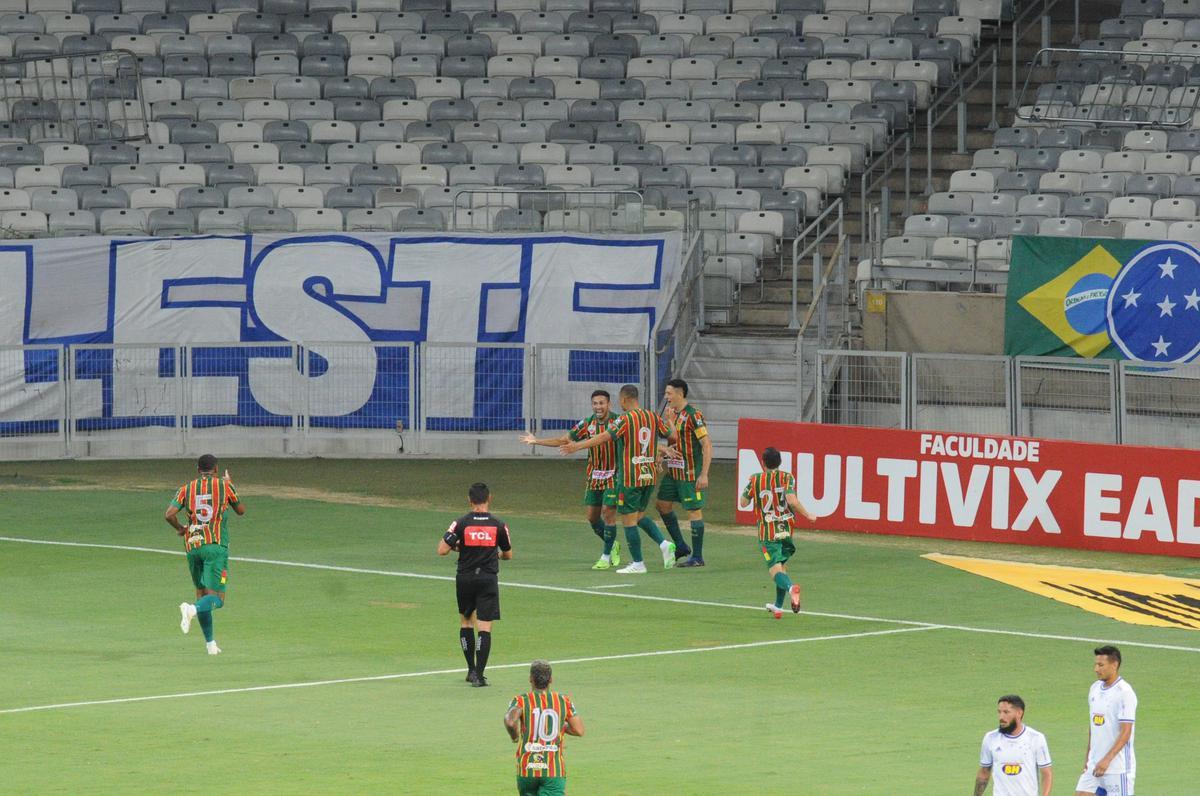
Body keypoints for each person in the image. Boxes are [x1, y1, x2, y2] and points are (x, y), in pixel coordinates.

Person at [560, 384, 678, 574]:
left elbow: (604, 437)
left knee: (629, 520)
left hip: (630, 477)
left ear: (624, 400)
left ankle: (638, 563)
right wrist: (671, 421)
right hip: (648, 474)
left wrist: (577, 446)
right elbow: (673, 436)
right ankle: (665, 544)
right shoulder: (652, 416)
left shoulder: (625, 419)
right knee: (639, 515)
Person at [520, 389, 621, 570]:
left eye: (601, 403)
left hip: (615, 474)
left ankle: (606, 556)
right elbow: (563, 440)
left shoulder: (618, 422)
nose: (598, 407)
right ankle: (612, 543)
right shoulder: (587, 424)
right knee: (592, 517)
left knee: (608, 512)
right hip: (594, 476)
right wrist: (536, 441)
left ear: (609, 404)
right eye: (595, 403)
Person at [165, 454, 245, 656]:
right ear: (216, 469)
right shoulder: (224, 486)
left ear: (197, 469)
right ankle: (190, 609)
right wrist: (230, 484)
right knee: (217, 598)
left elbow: (169, 514)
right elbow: (241, 510)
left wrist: (182, 528)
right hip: (215, 547)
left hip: (193, 546)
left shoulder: (186, 488)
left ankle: (210, 645)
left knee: (201, 594)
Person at [437, 482, 512, 687]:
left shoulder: (460, 523)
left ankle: (470, 669)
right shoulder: (498, 524)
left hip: (465, 578)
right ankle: (479, 675)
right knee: (485, 628)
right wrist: (494, 554)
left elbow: (442, 550)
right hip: (487, 579)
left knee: (466, 623)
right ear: (490, 498)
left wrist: (460, 548)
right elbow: (508, 554)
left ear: (469, 500)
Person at [737, 447, 815, 618]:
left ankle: (791, 588)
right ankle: (778, 606)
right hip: (786, 529)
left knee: (774, 570)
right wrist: (808, 514)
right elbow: (791, 501)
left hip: (768, 532)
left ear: (763, 463)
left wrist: (753, 495)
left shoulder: (755, 479)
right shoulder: (787, 477)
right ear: (779, 462)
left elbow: (743, 503)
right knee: (782, 566)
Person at [504, 660, 584, 796]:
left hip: (527, 770)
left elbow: (510, 722)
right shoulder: (563, 700)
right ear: (551, 679)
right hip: (553, 771)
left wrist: (515, 736)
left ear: (531, 679)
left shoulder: (521, 700)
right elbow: (579, 730)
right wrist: (560, 725)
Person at [656, 377, 712, 567]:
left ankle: (697, 557)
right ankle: (680, 545)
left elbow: (706, 444)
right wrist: (662, 456)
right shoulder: (673, 414)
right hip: (674, 472)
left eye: (669, 393)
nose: (666, 397)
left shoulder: (693, 415)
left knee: (694, 512)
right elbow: (674, 440)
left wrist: (704, 474)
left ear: (680, 393)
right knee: (662, 504)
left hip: (689, 473)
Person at [1075, 645, 1136, 796]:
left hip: (1117, 768)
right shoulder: (1094, 688)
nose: (1096, 669)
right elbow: (1093, 729)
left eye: (1101, 665)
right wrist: (1088, 759)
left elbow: (1126, 732)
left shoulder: (1125, 693)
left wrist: (1107, 760)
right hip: (1094, 765)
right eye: (1095, 664)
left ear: (1114, 665)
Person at [975, 694, 1053, 796]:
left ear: (1019, 713)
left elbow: (1046, 773)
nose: (1001, 717)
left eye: (1006, 712)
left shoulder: (1036, 738)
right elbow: (984, 772)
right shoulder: (990, 738)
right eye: (999, 712)